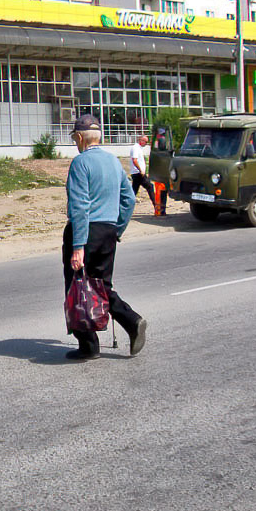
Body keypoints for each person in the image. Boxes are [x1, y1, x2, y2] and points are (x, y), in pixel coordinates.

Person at [63, 115, 148, 360]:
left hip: (85, 232)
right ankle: (132, 322)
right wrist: (117, 229)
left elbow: (80, 207)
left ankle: (88, 345)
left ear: (79, 137)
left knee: (78, 285)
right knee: (100, 284)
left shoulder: (80, 163)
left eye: (74, 138)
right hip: (108, 231)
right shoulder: (114, 162)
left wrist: (78, 246)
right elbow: (129, 199)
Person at [129, 134, 156, 207]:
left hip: (137, 173)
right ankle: (156, 205)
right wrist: (141, 170)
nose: (146, 143)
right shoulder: (136, 148)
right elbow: (134, 160)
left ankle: (127, 206)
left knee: (133, 191)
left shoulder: (139, 148)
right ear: (141, 140)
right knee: (150, 186)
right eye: (145, 142)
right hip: (138, 173)